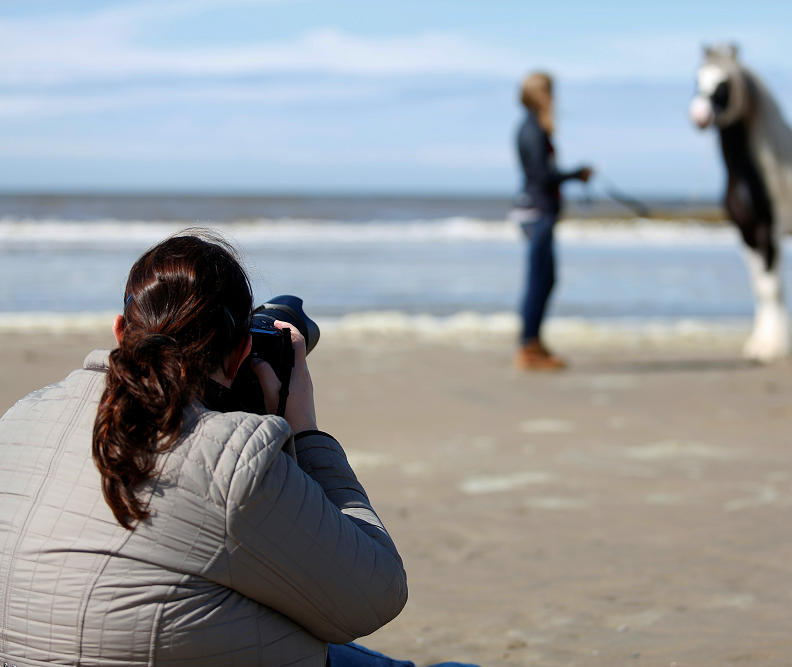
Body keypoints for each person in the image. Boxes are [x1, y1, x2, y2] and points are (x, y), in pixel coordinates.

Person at [0, 229, 474, 667]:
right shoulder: (232, 456)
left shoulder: (22, 416)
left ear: (121, 331)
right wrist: (304, 431)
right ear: (243, 349)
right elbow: (375, 593)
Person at [512, 71, 593, 371]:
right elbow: (540, 176)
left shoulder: (535, 127)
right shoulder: (531, 129)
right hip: (536, 211)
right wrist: (576, 174)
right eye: (550, 91)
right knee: (538, 280)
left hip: (539, 210)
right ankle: (528, 346)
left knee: (546, 279)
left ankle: (533, 340)